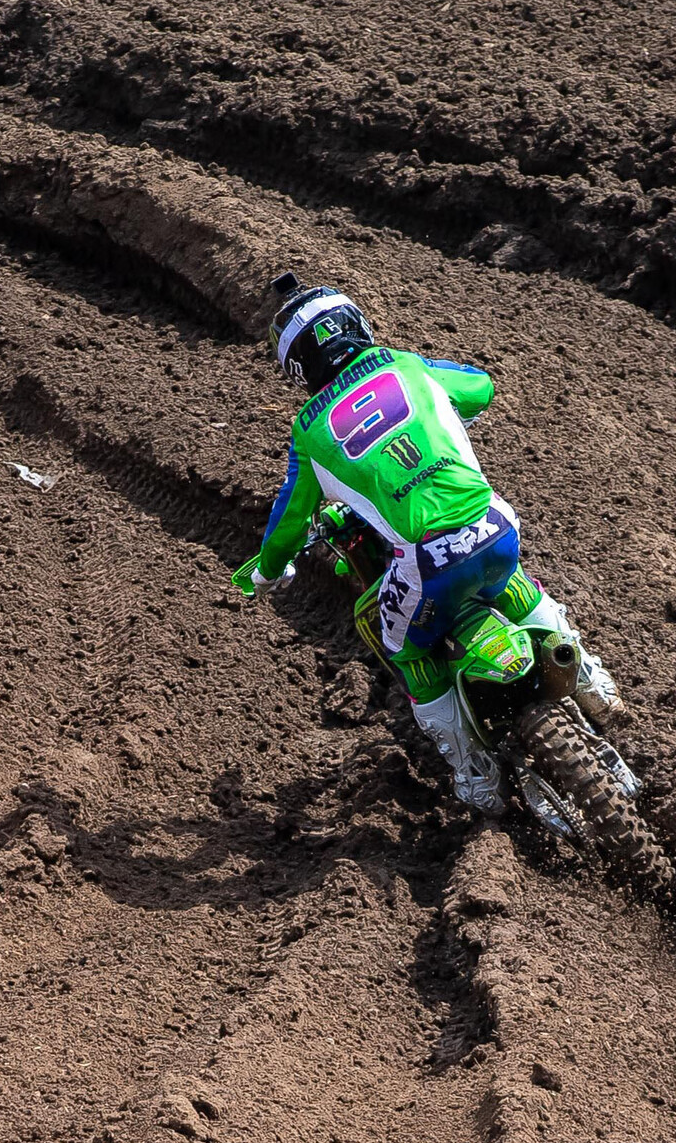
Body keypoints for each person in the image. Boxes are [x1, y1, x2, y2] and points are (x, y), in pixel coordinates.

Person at [233, 273, 630, 813]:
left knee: (403, 646)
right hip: (495, 528)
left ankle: (475, 774)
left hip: (429, 565)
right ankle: (587, 675)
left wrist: (267, 571)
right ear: (357, 325)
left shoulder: (309, 432)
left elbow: (289, 519)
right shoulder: (409, 366)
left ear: (297, 365)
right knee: (511, 584)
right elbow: (481, 386)